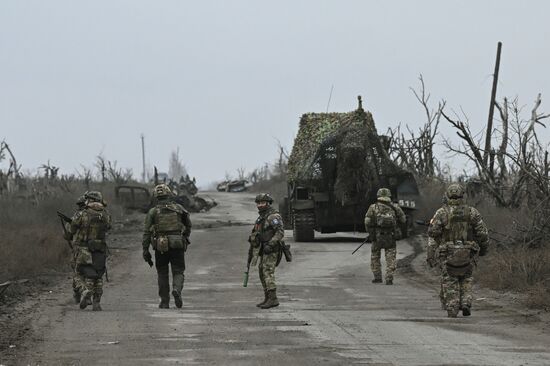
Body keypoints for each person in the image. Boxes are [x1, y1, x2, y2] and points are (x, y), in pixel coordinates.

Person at [427, 183, 489, 317]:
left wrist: (433, 252)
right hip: (468, 253)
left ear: (447, 195)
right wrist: (483, 249)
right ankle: (466, 302)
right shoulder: (472, 212)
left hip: (447, 253)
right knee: (466, 278)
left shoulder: (441, 212)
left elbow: (433, 233)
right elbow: (482, 233)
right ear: (462, 195)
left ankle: (452, 307)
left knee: (450, 279)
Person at [142, 184, 191, 309]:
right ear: (169, 194)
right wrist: (185, 236)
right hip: (177, 243)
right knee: (178, 271)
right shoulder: (179, 208)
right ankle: (177, 290)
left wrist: (145, 250)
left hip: (160, 246)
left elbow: (147, 232)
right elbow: (188, 224)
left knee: (162, 273)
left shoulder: (153, 211)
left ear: (156, 197)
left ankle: (164, 302)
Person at [68, 191, 111, 311]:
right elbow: (108, 227)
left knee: (79, 273)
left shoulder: (82, 214)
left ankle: (85, 291)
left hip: (83, 249)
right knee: (98, 275)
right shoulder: (106, 214)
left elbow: (70, 230)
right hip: (100, 249)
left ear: (90, 200)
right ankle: (97, 303)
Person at [248, 193, 285, 309]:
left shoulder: (273, 216)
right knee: (262, 272)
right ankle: (268, 297)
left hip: (271, 249)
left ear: (268, 203)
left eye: (262, 203)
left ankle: (273, 299)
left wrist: (271, 243)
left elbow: (280, 232)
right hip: (263, 248)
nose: (260, 205)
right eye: (258, 203)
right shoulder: (261, 217)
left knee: (268, 272)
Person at [364, 188, 406, 285]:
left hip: (377, 236)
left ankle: (377, 277)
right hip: (390, 236)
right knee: (390, 258)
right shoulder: (395, 207)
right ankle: (389, 278)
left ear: (378, 196)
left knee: (375, 256)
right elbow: (403, 220)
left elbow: (367, 222)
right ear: (389, 196)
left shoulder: (373, 207)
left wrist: (371, 234)